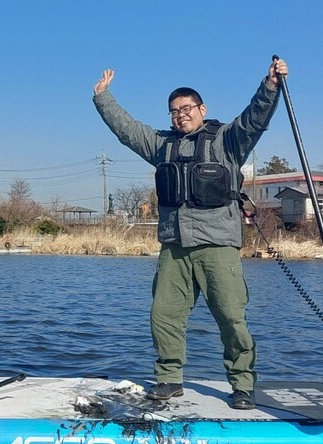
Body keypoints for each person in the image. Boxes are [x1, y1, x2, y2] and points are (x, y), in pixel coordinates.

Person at [92, 57, 288, 410]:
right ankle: (169, 379)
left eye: (186, 108)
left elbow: (255, 118)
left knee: (231, 317)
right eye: (174, 111)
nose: (180, 114)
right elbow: (128, 130)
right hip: (174, 248)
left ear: (202, 109)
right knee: (163, 315)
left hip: (218, 247)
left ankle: (242, 384)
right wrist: (104, 98)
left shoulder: (227, 140)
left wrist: (270, 85)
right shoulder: (161, 146)